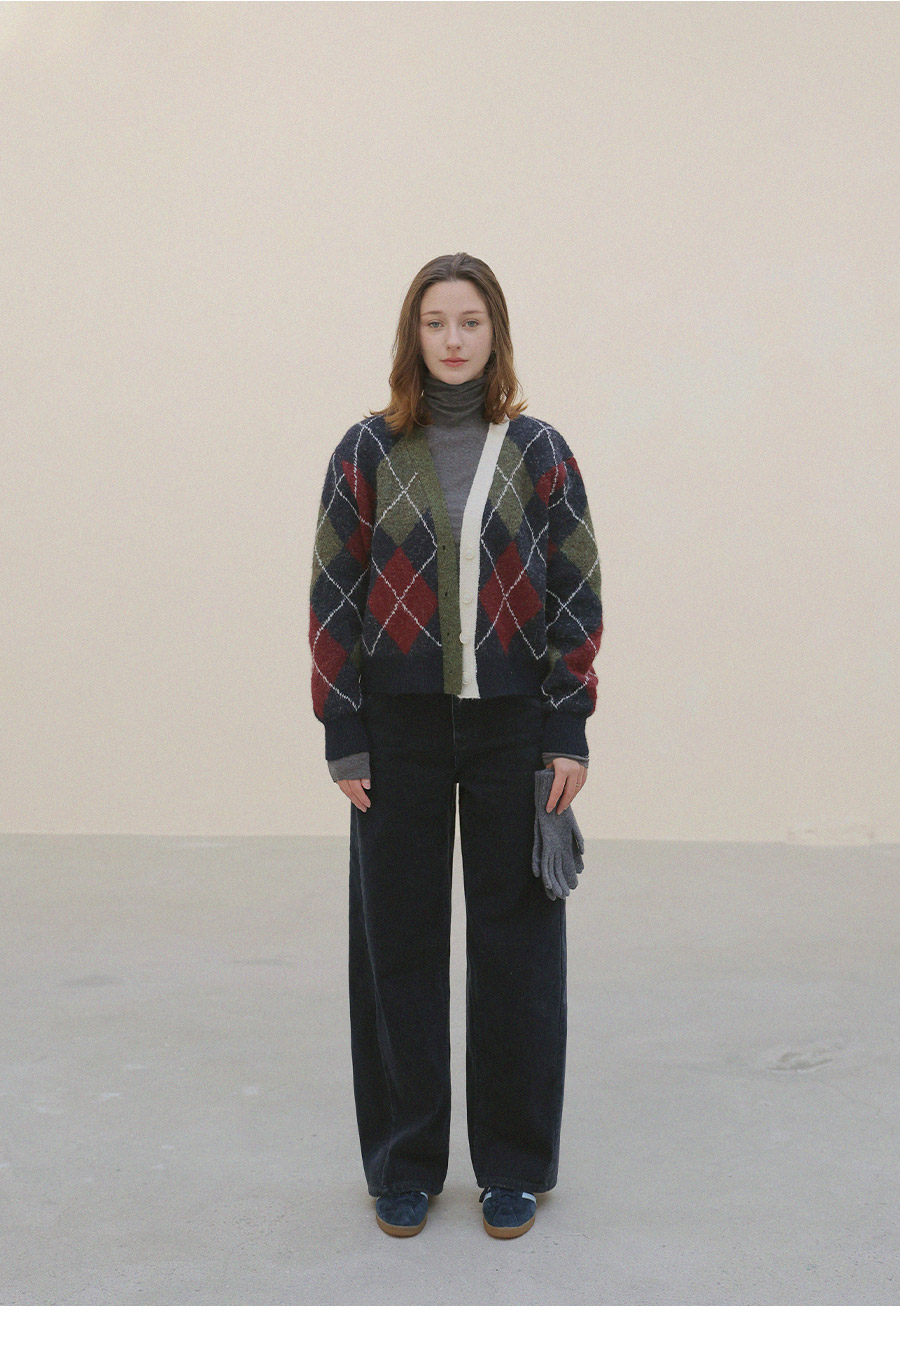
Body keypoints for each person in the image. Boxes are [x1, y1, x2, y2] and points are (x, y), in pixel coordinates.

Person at [309, 253, 603, 1239]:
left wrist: (566, 727)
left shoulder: (540, 450)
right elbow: (333, 591)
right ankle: (405, 1161)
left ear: (494, 334)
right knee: (397, 945)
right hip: (396, 734)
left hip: (513, 728)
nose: (452, 339)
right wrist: (343, 729)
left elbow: (576, 591)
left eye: (469, 321)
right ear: (413, 336)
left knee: (517, 950)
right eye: (435, 321)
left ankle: (512, 1164)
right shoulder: (365, 450)